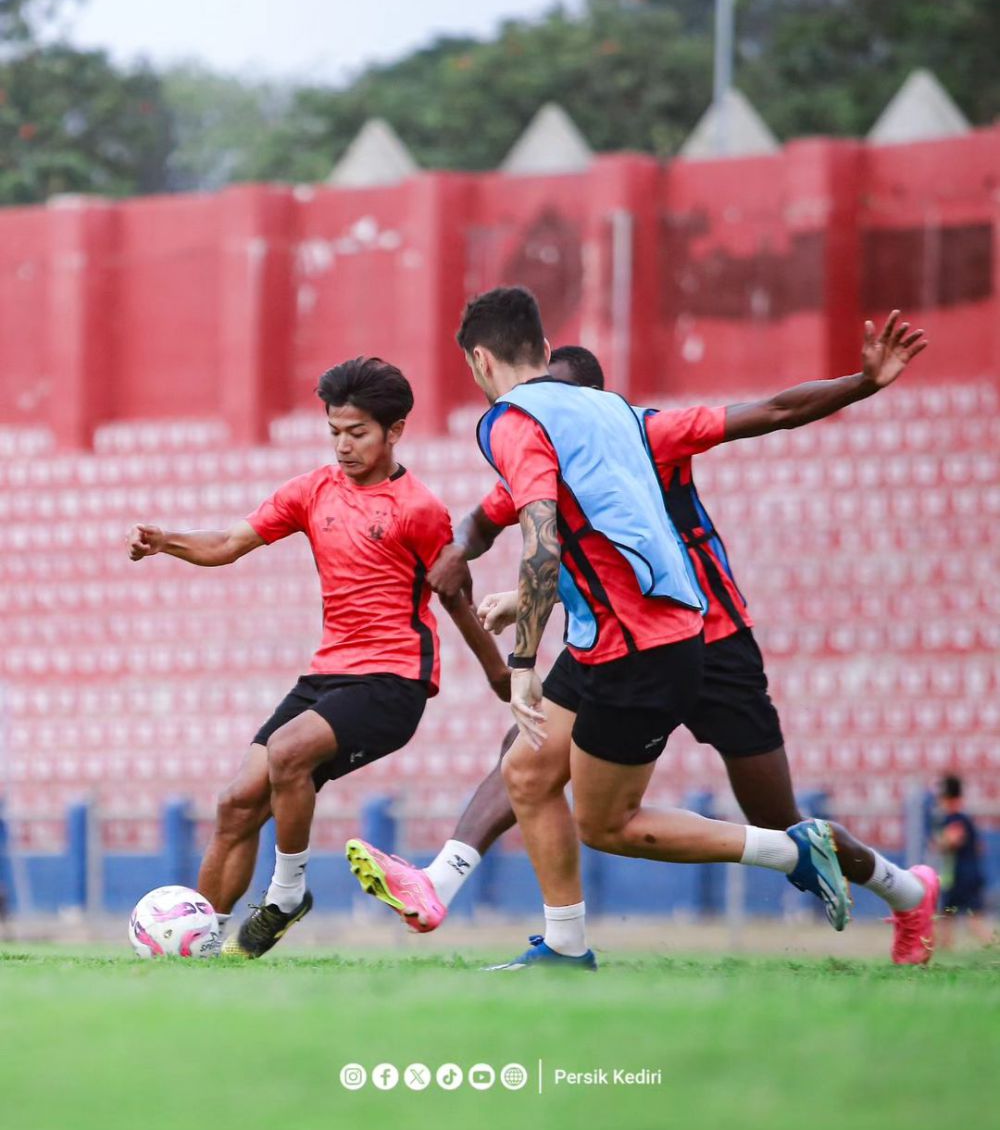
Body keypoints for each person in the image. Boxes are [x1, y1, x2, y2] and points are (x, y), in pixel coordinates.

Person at [347, 289, 938, 968]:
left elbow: (772, 411)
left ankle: (898, 888)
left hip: (706, 640)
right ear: (540, 356)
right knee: (529, 762)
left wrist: (522, 654)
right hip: (620, 632)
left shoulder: (619, 429)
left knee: (751, 820)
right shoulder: (586, 435)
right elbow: (501, 522)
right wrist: (462, 551)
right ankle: (465, 894)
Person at [127, 356, 509, 958]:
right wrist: (164, 542)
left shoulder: (418, 509)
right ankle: (199, 945)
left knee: (287, 752)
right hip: (328, 674)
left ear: (395, 430)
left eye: (357, 433)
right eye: (335, 431)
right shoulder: (311, 491)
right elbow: (229, 543)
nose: (343, 445)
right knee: (237, 801)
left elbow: (455, 596)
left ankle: (285, 895)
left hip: (394, 679)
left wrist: (498, 673)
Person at [936, 775, 993, 948]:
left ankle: (994, 945)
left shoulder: (954, 818)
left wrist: (940, 842)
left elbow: (952, 840)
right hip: (966, 874)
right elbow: (980, 847)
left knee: (971, 921)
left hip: (961, 877)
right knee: (947, 916)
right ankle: (945, 949)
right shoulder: (966, 818)